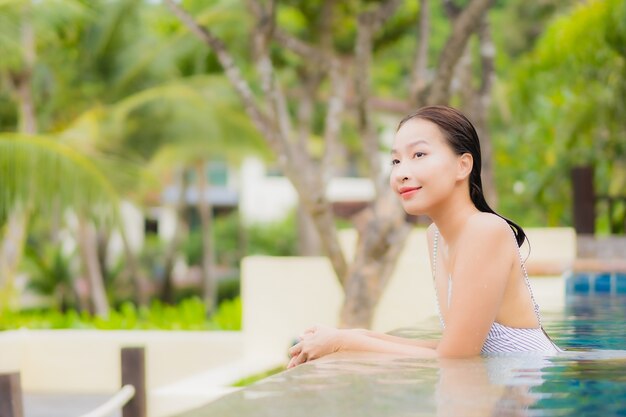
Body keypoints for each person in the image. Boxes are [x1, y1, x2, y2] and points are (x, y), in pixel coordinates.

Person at [288, 105, 561, 369]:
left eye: (418, 155)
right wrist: (349, 336)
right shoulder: (435, 237)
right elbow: (451, 346)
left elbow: (457, 357)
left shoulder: (485, 230)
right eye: (396, 160)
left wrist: (345, 342)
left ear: (463, 165)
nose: (401, 173)